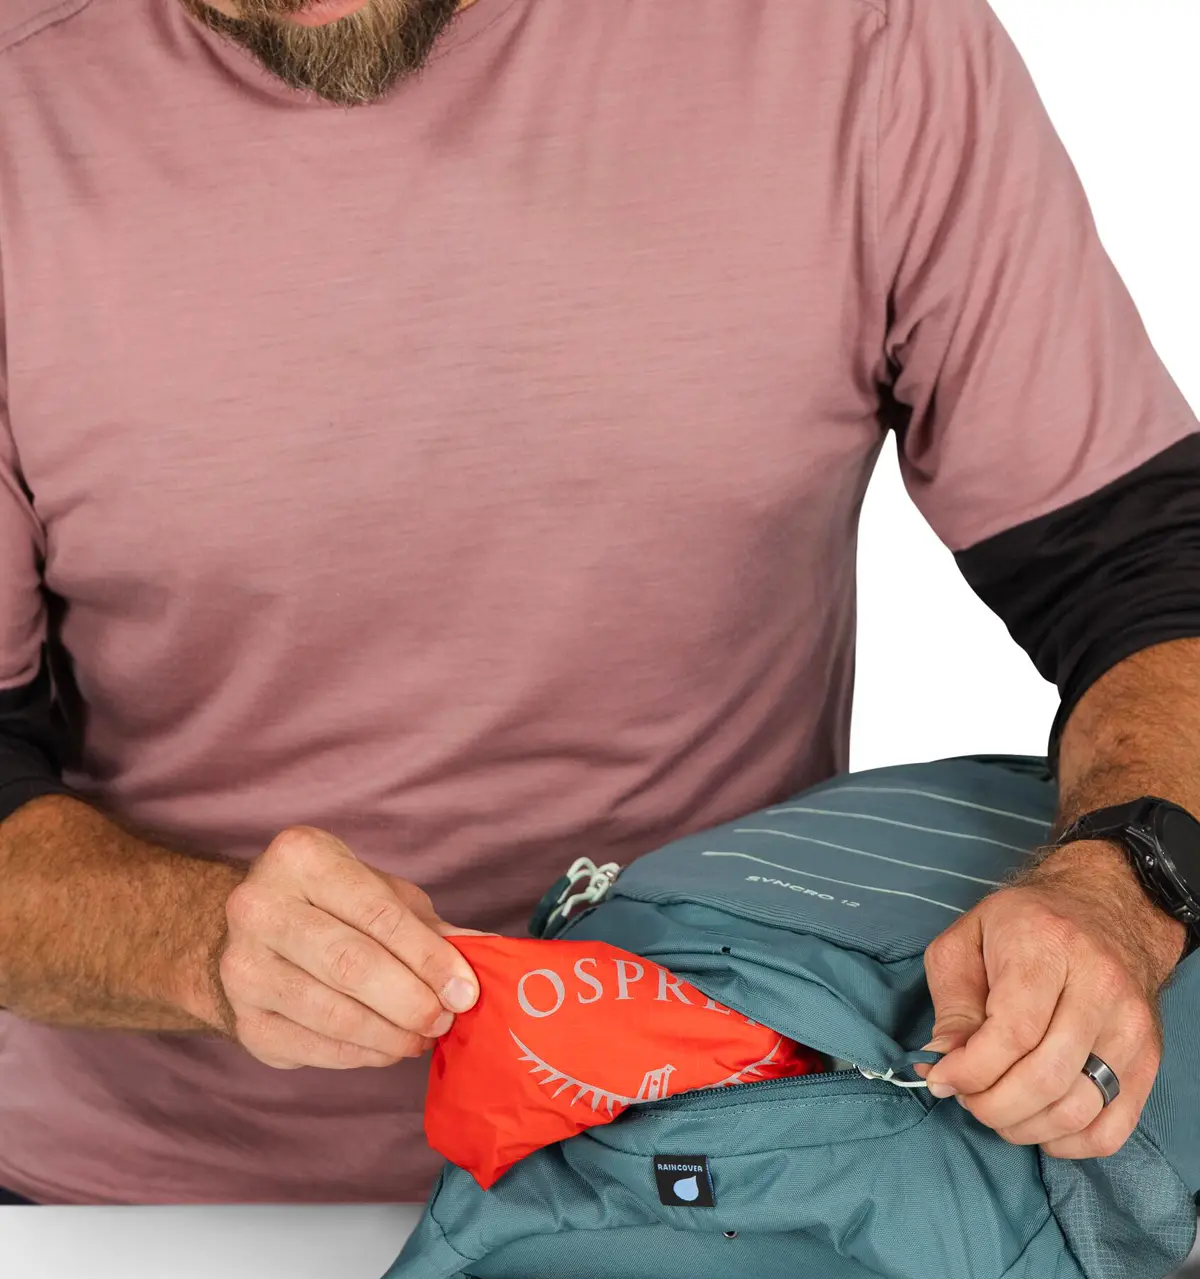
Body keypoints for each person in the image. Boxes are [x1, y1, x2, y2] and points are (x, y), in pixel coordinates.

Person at [1, 0, 1198, 1206]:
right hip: (128, 1228)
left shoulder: (856, 39)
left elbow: (1152, 576)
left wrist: (1128, 885)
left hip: (729, 1201)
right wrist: (193, 944)